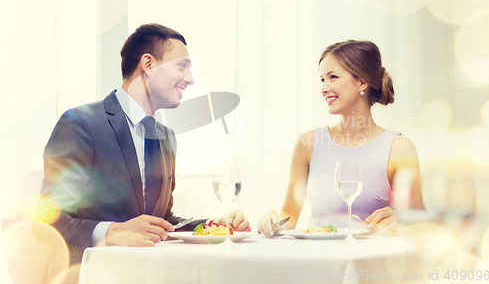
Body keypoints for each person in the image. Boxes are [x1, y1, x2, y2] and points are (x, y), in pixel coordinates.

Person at [36, 24, 250, 262]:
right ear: (148, 64)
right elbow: (48, 221)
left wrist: (212, 225)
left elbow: (162, 221)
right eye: (182, 66)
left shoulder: (165, 137)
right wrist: (112, 231)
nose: (189, 79)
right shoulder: (81, 123)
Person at [257, 40, 424, 237]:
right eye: (322, 80)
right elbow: (290, 216)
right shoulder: (308, 144)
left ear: (362, 82)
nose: (323, 88)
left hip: (370, 262)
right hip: (318, 261)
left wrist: (402, 223)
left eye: (333, 77)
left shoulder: (399, 148)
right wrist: (273, 223)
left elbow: (419, 223)